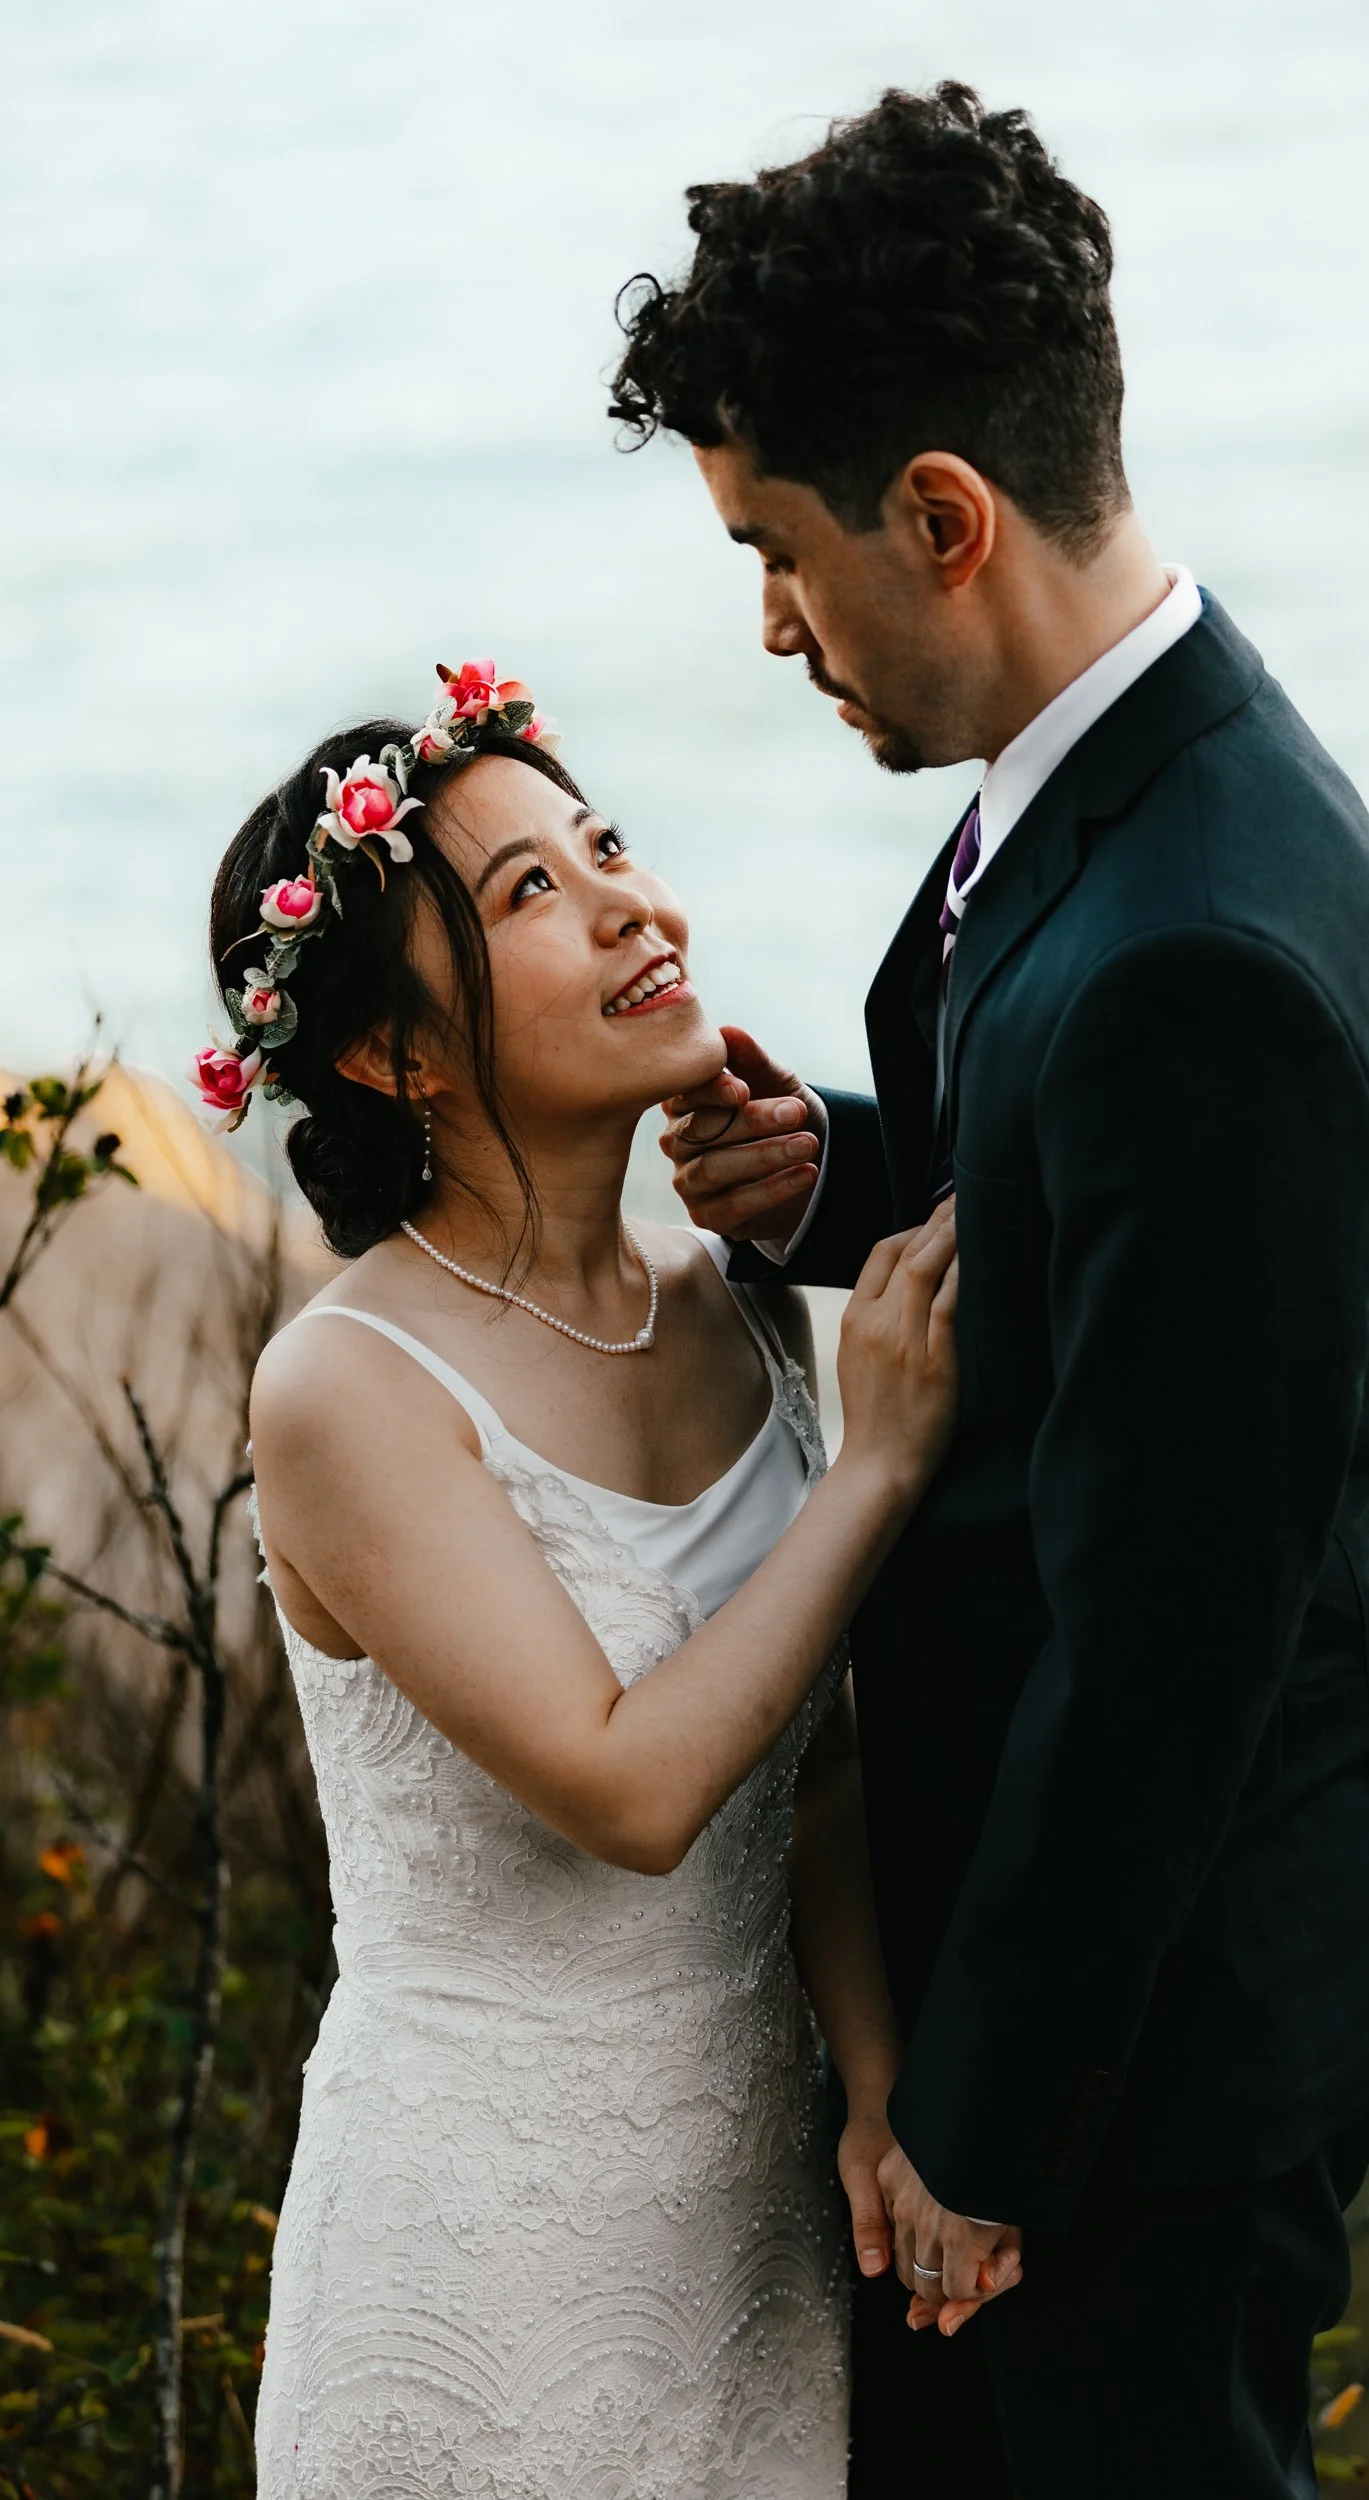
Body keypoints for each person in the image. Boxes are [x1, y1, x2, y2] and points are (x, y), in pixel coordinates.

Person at [614, 82, 1369, 2498]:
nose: (767, 625)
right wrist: (843, 1179)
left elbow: (1163, 1645)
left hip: (1162, 2006)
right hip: (1117, 1921)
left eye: (777, 553)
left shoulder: (1199, 953)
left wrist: (980, 2118)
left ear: (940, 515)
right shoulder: (1120, 762)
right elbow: (1117, 1230)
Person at [202, 665, 959, 2498]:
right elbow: (629, 1789)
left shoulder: (734, 1302)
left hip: (754, 2236)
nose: (628, 902)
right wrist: (879, 1467)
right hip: (473, 2245)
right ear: (393, 1056)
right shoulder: (349, 1385)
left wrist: (874, 2084)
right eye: (533, 890)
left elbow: (816, 1768)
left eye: (604, 842)